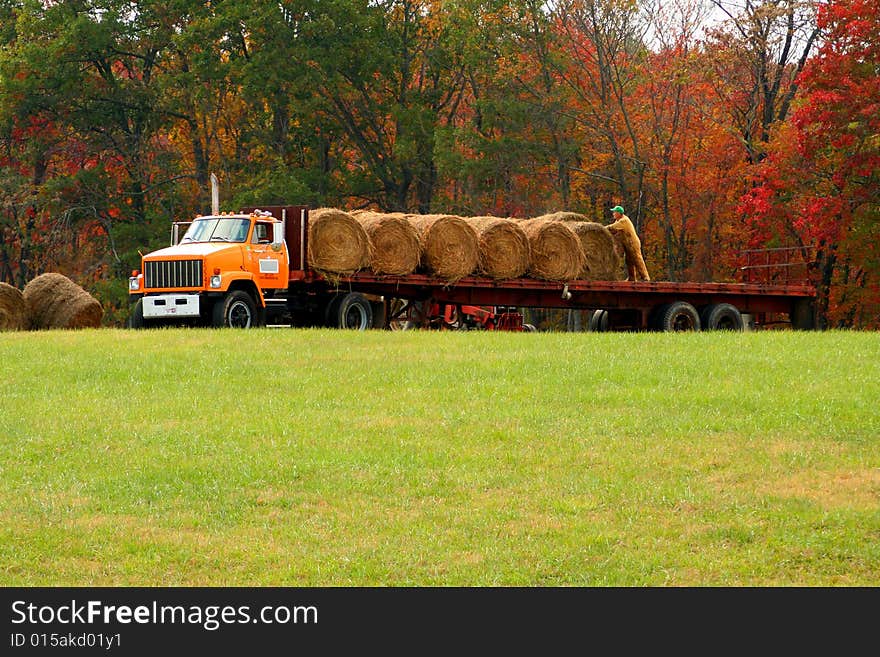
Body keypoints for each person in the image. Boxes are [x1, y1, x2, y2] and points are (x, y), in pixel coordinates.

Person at [606, 205, 650, 281]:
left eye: (614, 212)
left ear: (619, 213)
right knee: (628, 260)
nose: (613, 213)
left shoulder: (624, 221)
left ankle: (645, 277)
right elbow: (614, 231)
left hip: (632, 243)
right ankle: (632, 277)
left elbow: (612, 227)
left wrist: (601, 229)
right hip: (627, 243)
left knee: (637, 259)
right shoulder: (619, 220)